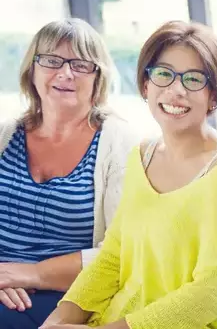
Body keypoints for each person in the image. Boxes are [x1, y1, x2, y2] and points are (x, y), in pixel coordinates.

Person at [42, 21, 217, 328]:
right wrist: (58, 319)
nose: (176, 90)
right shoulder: (141, 156)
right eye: (163, 74)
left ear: (214, 95)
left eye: (193, 79)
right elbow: (113, 257)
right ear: (146, 86)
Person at [0, 19, 140, 327]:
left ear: (98, 77)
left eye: (80, 64)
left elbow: (124, 252)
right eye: (51, 60)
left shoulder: (121, 145)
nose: (65, 73)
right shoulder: (5, 135)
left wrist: (27, 273)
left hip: (71, 296)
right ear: (32, 70)